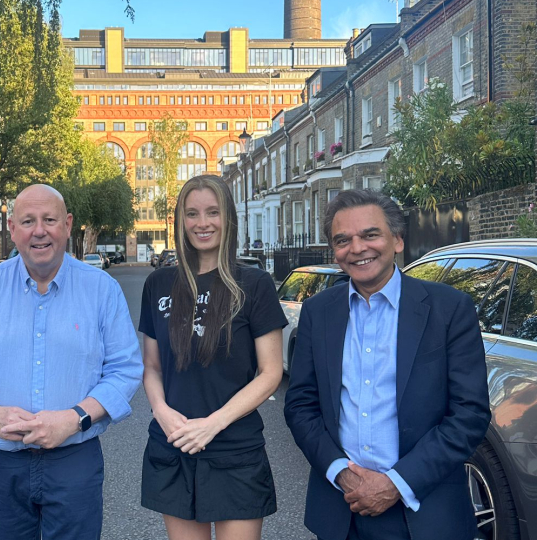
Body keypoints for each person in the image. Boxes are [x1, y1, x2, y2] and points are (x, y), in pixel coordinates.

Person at [0, 184, 142, 540]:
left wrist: (73, 418)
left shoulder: (102, 289)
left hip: (74, 459)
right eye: (28, 221)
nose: (39, 231)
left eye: (49, 219)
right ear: (13, 228)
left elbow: (124, 369)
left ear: (67, 224)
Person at [283, 189, 491, 540]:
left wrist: (395, 483)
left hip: (425, 513)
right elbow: (301, 405)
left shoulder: (449, 309)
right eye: (343, 240)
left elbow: (470, 414)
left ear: (397, 240)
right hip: (341, 511)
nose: (358, 248)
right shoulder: (319, 312)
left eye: (370, 234)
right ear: (335, 252)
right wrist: (341, 473)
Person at [138, 175, 286, 540]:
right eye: (192, 213)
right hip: (174, 445)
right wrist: (162, 412)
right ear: (180, 221)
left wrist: (214, 423)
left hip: (235, 450)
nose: (202, 223)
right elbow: (152, 367)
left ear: (229, 218)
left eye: (212, 212)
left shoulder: (253, 284)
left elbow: (270, 373)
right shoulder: (159, 284)